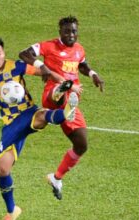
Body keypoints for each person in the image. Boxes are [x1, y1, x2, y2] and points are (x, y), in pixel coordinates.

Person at [0, 36, 78, 220]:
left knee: (41, 116)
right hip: (10, 125)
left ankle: (66, 112)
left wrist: (65, 83)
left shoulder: (16, 66)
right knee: (3, 169)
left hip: (27, 112)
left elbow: (43, 72)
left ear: (4, 52)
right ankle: (12, 211)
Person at [19, 15, 104, 200]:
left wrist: (92, 74)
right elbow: (24, 53)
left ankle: (56, 178)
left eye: (74, 31)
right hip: (52, 93)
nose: (71, 34)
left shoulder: (79, 49)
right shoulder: (48, 46)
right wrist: (45, 69)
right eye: (67, 31)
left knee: (81, 145)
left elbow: (81, 64)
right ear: (60, 32)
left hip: (71, 100)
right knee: (60, 92)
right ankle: (60, 90)